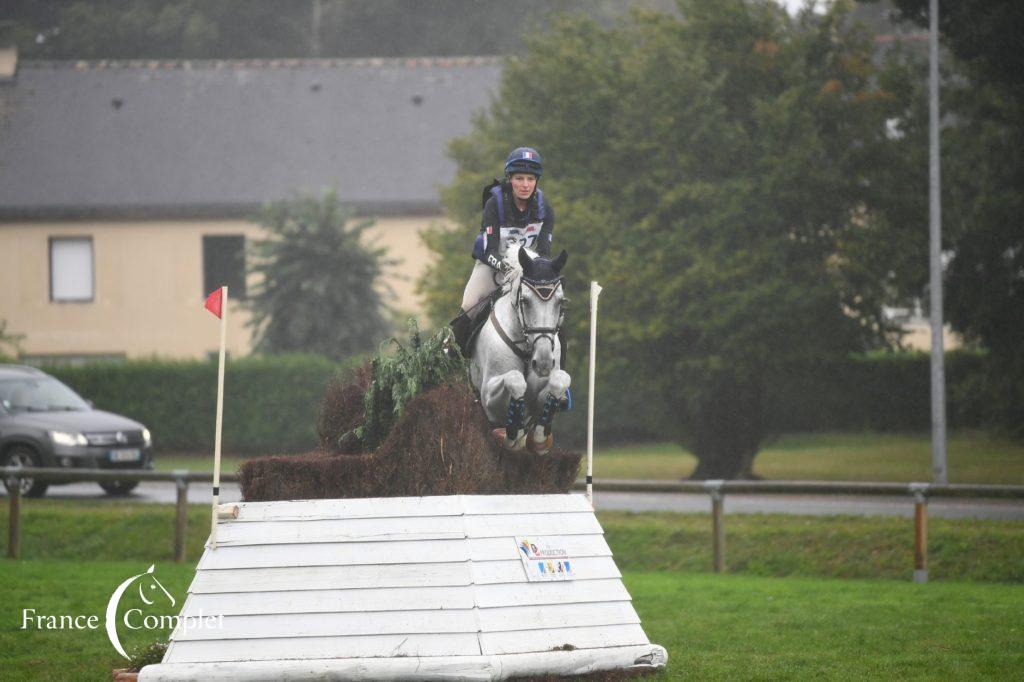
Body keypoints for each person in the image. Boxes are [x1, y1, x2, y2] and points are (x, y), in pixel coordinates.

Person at [451, 146, 555, 354]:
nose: (525, 185)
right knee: (468, 308)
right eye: (519, 178)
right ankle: (450, 359)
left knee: (551, 314)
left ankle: (558, 369)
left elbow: (544, 254)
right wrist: (510, 269)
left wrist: (533, 273)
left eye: (530, 179)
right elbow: (490, 251)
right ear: (510, 179)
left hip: (525, 271)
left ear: (536, 181)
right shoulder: (494, 204)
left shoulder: (545, 209)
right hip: (491, 266)